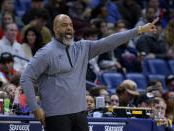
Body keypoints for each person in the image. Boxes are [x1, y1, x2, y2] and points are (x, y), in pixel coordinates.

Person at [20, 14, 158, 131]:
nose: (69, 28)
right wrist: (35, 108)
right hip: (56, 115)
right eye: (64, 25)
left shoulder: (82, 47)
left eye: (70, 25)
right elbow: (26, 78)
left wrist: (139, 30)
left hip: (80, 113)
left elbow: (110, 41)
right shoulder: (46, 53)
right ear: (55, 30)